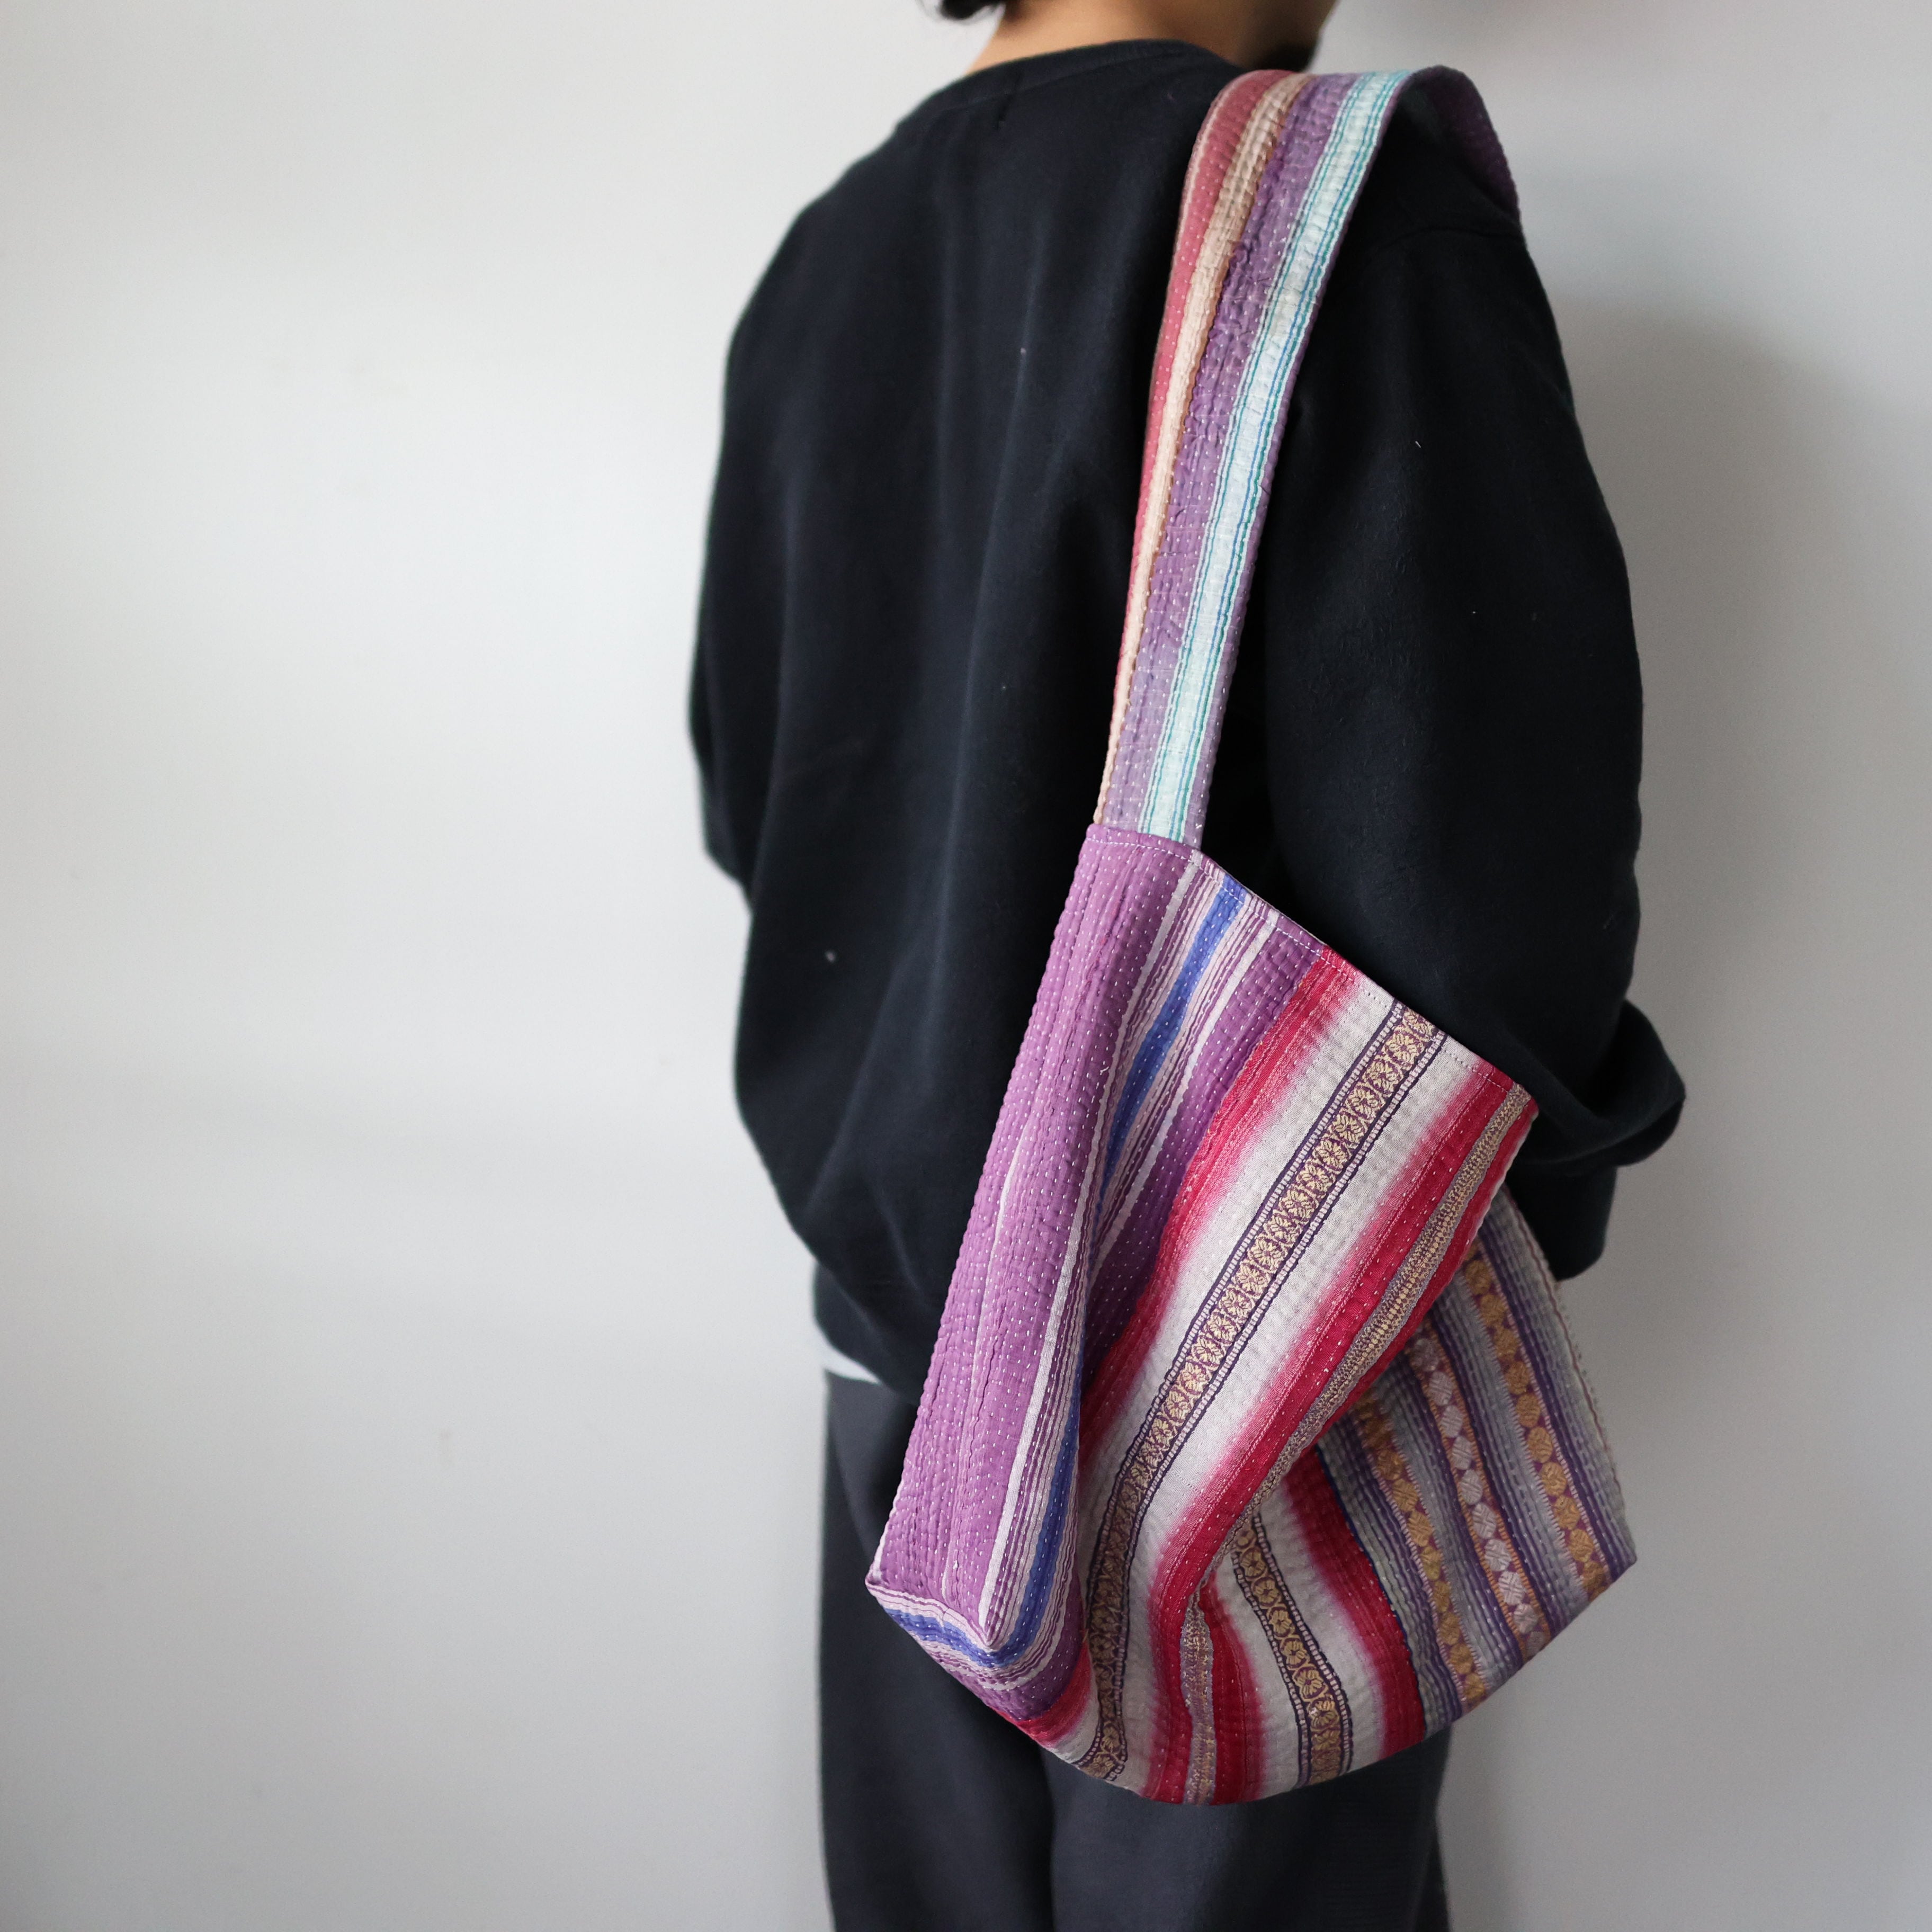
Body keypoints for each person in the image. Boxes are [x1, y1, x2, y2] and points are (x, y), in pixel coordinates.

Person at [690, 1, 1685, 1925]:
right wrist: (1501, 1241)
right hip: (1239, 1408)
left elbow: (759, 804)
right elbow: (1497, 889)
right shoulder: (1345, 214)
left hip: (898, 1384)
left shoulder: (821, 266)